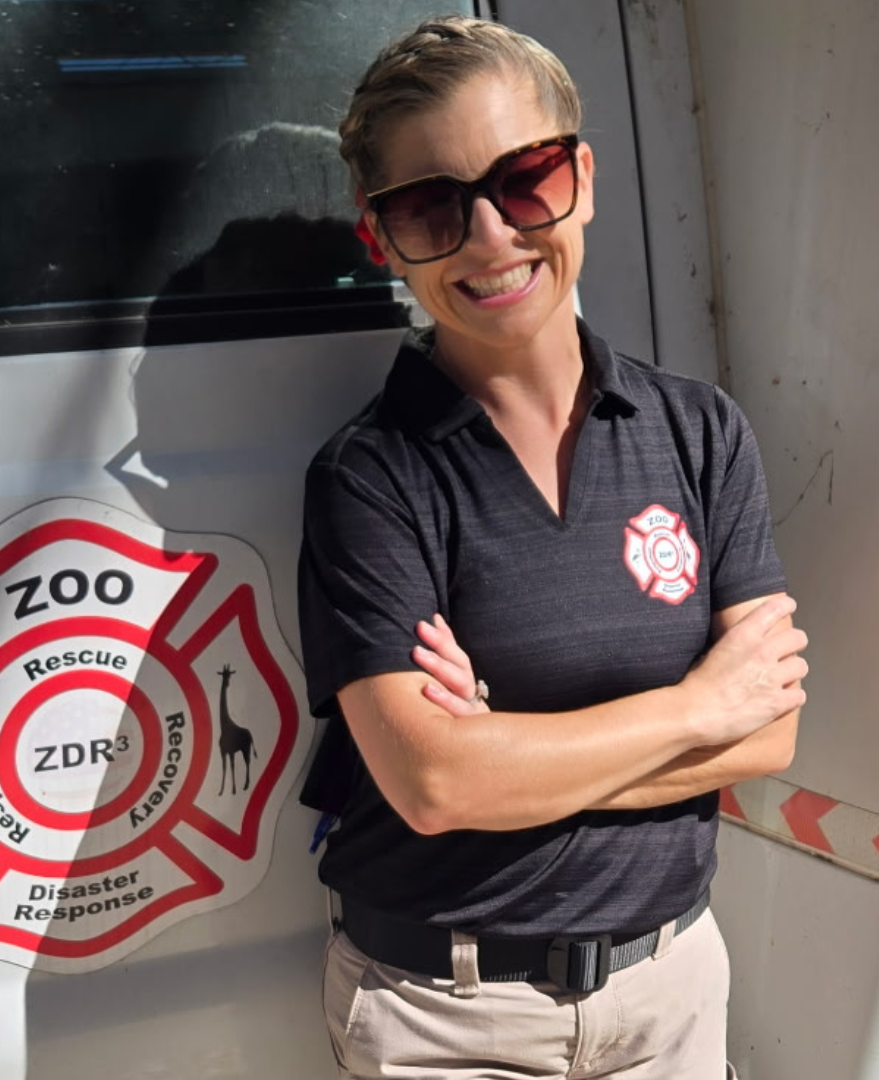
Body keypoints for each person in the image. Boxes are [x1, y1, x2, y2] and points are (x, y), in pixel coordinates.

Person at [297, 15, 807, 1080]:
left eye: (525, 180)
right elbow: (435, 787)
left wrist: (510, 754)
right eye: (432, 207)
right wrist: (694, 708)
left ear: (583, 176)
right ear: (380, 238)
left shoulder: (701, 432)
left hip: (672, 994)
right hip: (447, 1021)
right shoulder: (368, 477)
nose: (490, 238)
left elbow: (770, 734)